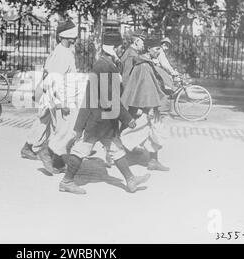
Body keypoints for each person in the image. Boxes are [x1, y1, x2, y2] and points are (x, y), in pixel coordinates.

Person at [58, 33, 151, 194]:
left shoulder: (105, 64)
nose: (122, 50)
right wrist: (127, 118)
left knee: (116, 149)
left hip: (102, 120)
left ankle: (130, 180)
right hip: (99, 121)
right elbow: (109, 99)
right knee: (82, 149)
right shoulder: (104, 66)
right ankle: (66, 181)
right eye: (121, 47)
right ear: (114, 48)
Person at [20, 20, 79, 174]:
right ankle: (46, 153)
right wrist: (62, 102)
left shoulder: (62, 51)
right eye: (73, 35)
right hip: (58, 96)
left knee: (52, 125)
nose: (76, 38)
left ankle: (55, 160)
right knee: (63, 129)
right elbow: (54, 79)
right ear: (66, 37)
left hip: (53, 95)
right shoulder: (62, 54)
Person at [120, 31, 170, 172]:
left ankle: (153, 161)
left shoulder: (145, 62)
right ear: (148, 49)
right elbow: (145, 88)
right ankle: (116, 155)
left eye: (159, 49)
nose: (159, 52)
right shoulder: (143, 65)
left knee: (153, 133)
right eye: (156, 49)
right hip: (149, 106)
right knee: (135, 132)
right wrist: (147, 108)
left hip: (150, 105)